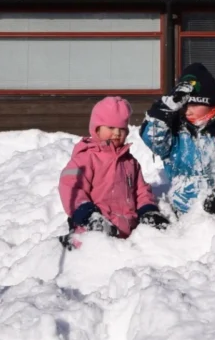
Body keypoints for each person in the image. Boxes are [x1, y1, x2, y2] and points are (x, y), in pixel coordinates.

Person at [59, 96, 166, 249]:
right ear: (96, 128)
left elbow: (141, 191)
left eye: (122, 129)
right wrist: (88, 215)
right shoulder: (85, 158)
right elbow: (71, 187)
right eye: (111, 128)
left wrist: (147, 210)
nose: (117, 133)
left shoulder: (130, 162)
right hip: (96, 229)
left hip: (128, 234)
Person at [140, 63, 215, 217]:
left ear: (209, 103)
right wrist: (165, 109)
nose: (188, 110)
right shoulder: (174, 131)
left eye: (194, 104)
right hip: (183, 210)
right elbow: (153, 138)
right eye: (184, 105)